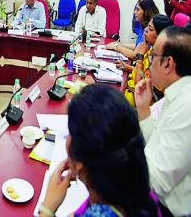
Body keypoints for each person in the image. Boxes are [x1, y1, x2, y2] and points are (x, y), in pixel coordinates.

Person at [40, 84, 159, 217]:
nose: (68, 138)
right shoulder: (139, 192)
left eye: (70, 133)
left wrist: (47, 208)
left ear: (80, 162)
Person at [135, 26, 191, 217]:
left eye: (153, 57)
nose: (149, 63)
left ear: (168, 63)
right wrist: (143, 109)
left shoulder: (187, 105)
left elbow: (156, 182)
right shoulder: (177, 93)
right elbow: (155, 147)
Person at [122, 14, 173, 106]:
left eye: (150, 29)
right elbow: (143, 73)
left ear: (160, 36)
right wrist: (129, 68)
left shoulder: (159, 60)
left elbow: (139, 84)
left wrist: (141, 55)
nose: (145, 30)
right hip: (128, 92)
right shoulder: (152, 50)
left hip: (135, 105)